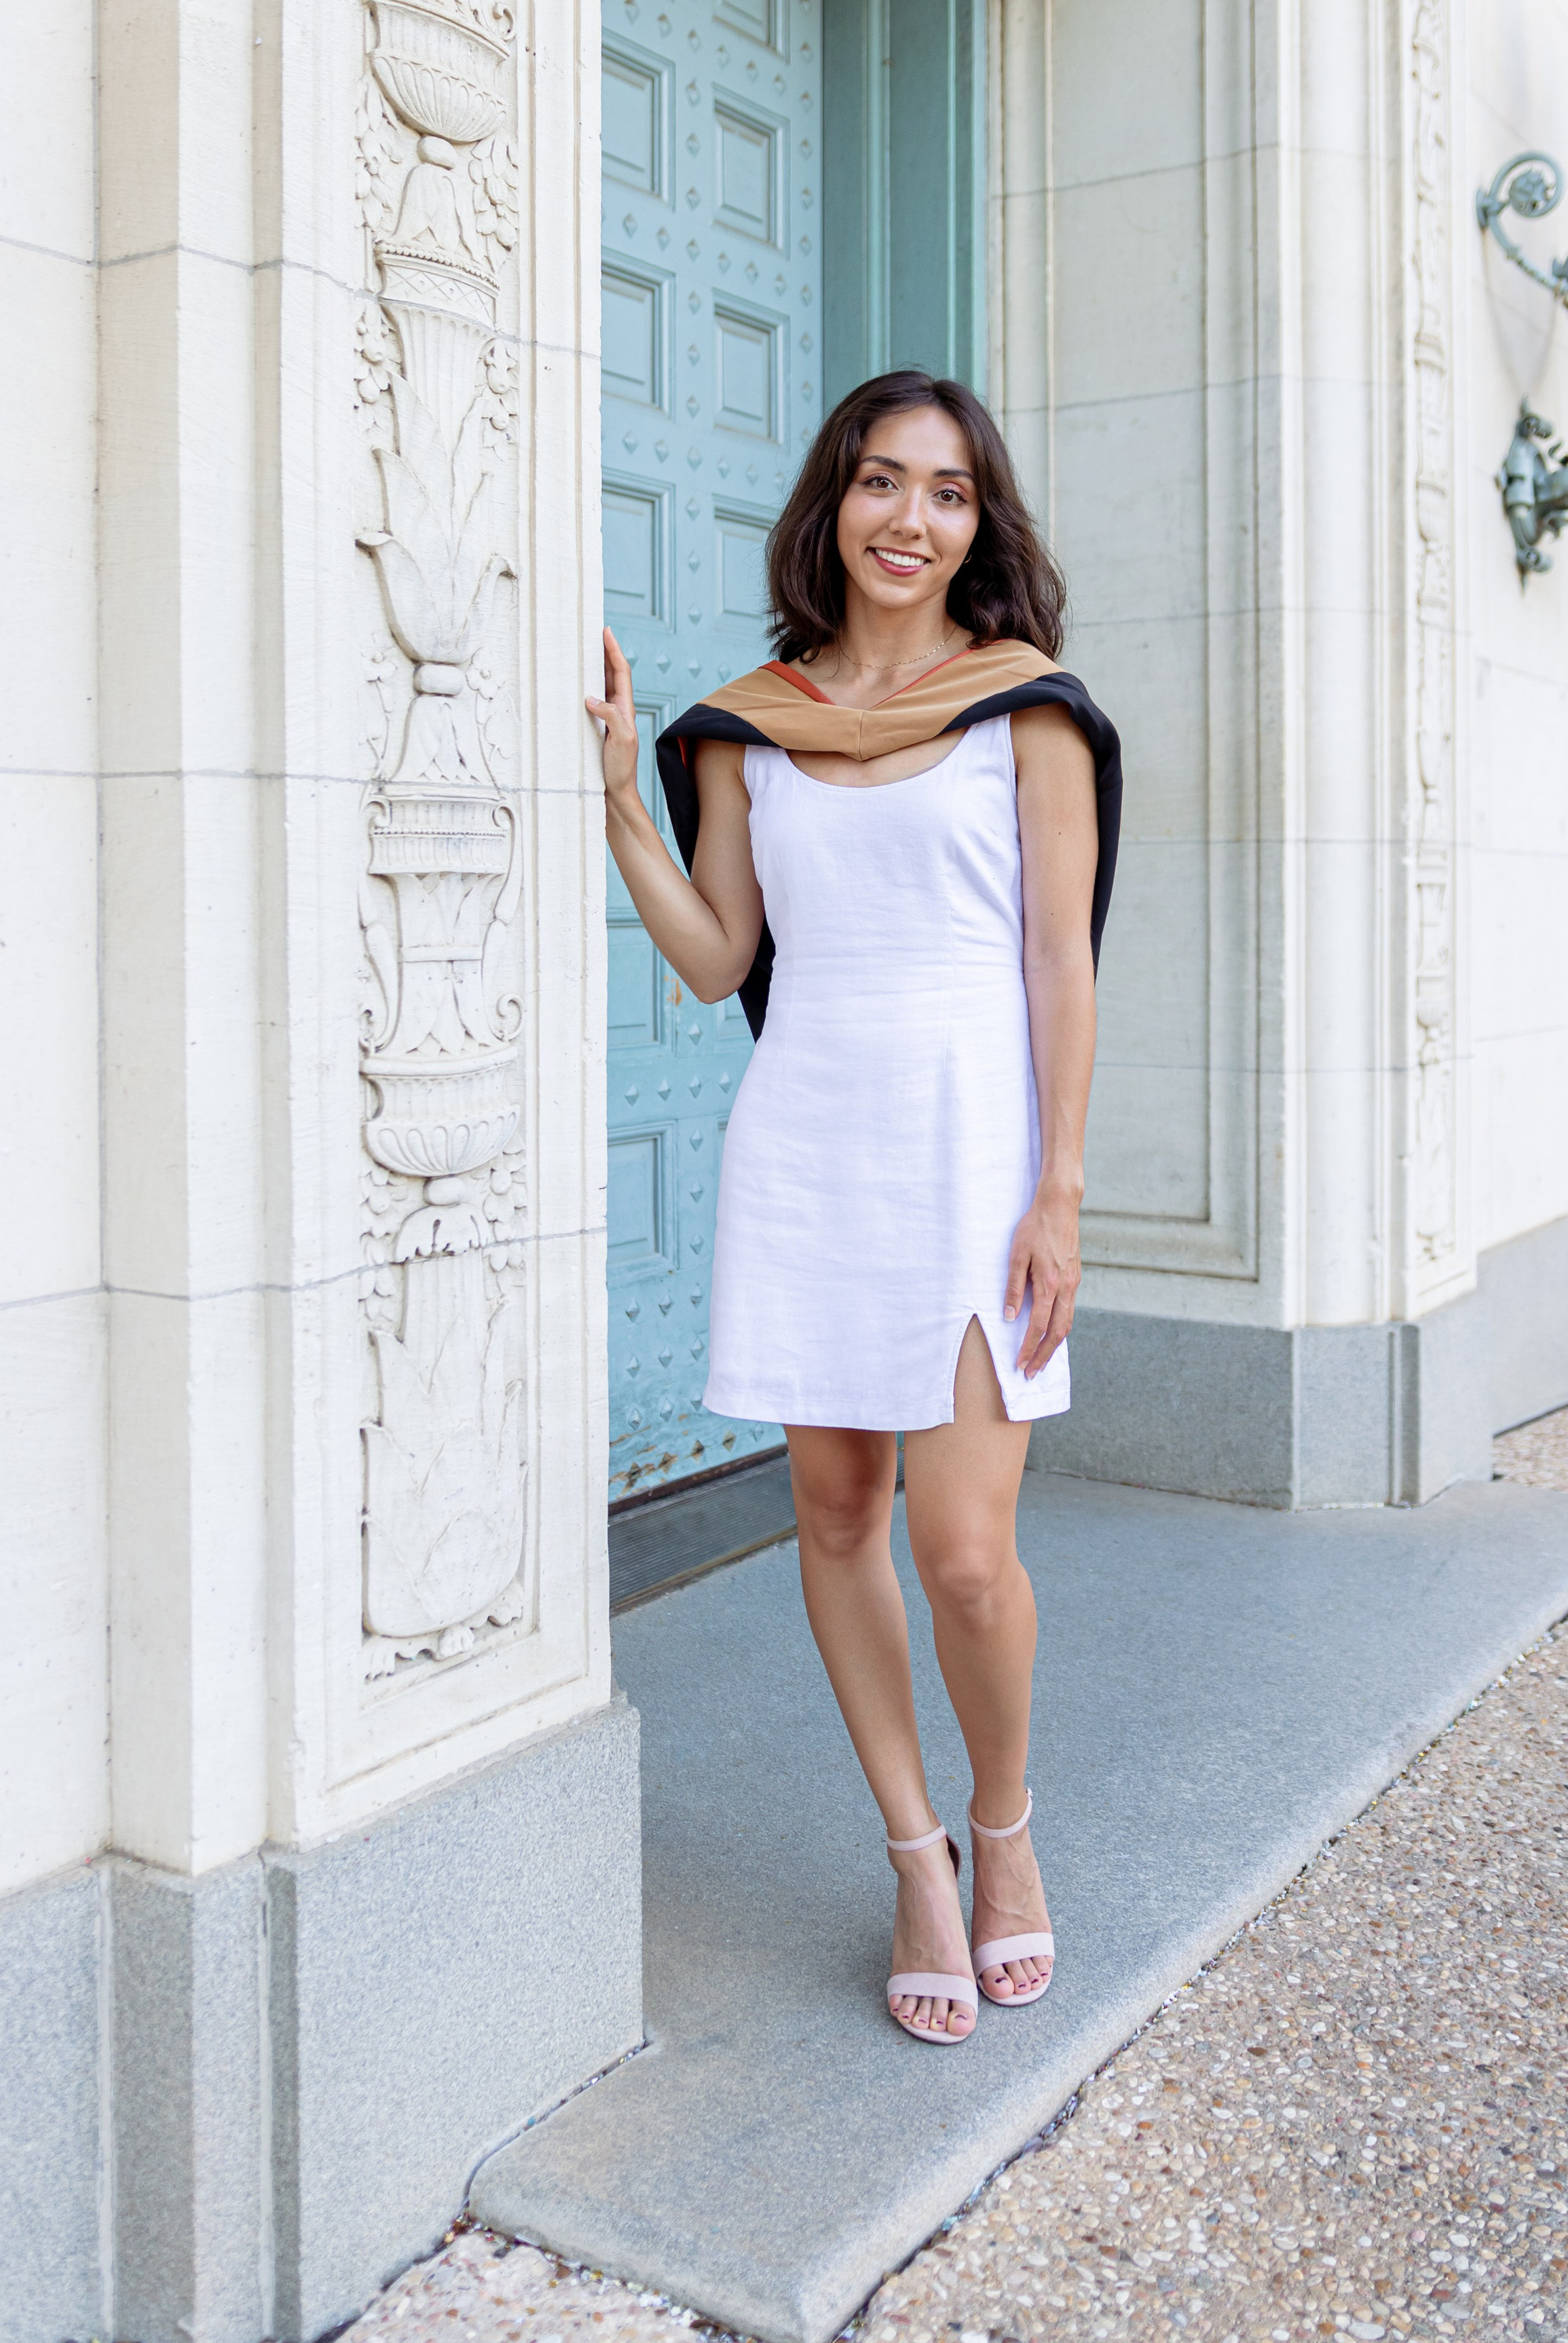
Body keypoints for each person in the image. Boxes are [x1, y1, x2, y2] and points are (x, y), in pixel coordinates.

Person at [587, 370, 1120, 2046]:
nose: (910, 519)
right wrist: (619, 791)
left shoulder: (1025, 707)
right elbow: (720, 960)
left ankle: (1005, 1829)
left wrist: (1060, 1188)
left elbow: (1058, 959)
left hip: (974, 1156)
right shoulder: (751, 726)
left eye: (947, 492)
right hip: (809, 1147)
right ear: (832, 504)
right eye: (880, 483)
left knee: (964, 1553)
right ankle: (911, 1851)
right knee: (832, 1517)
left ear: (981, 522)